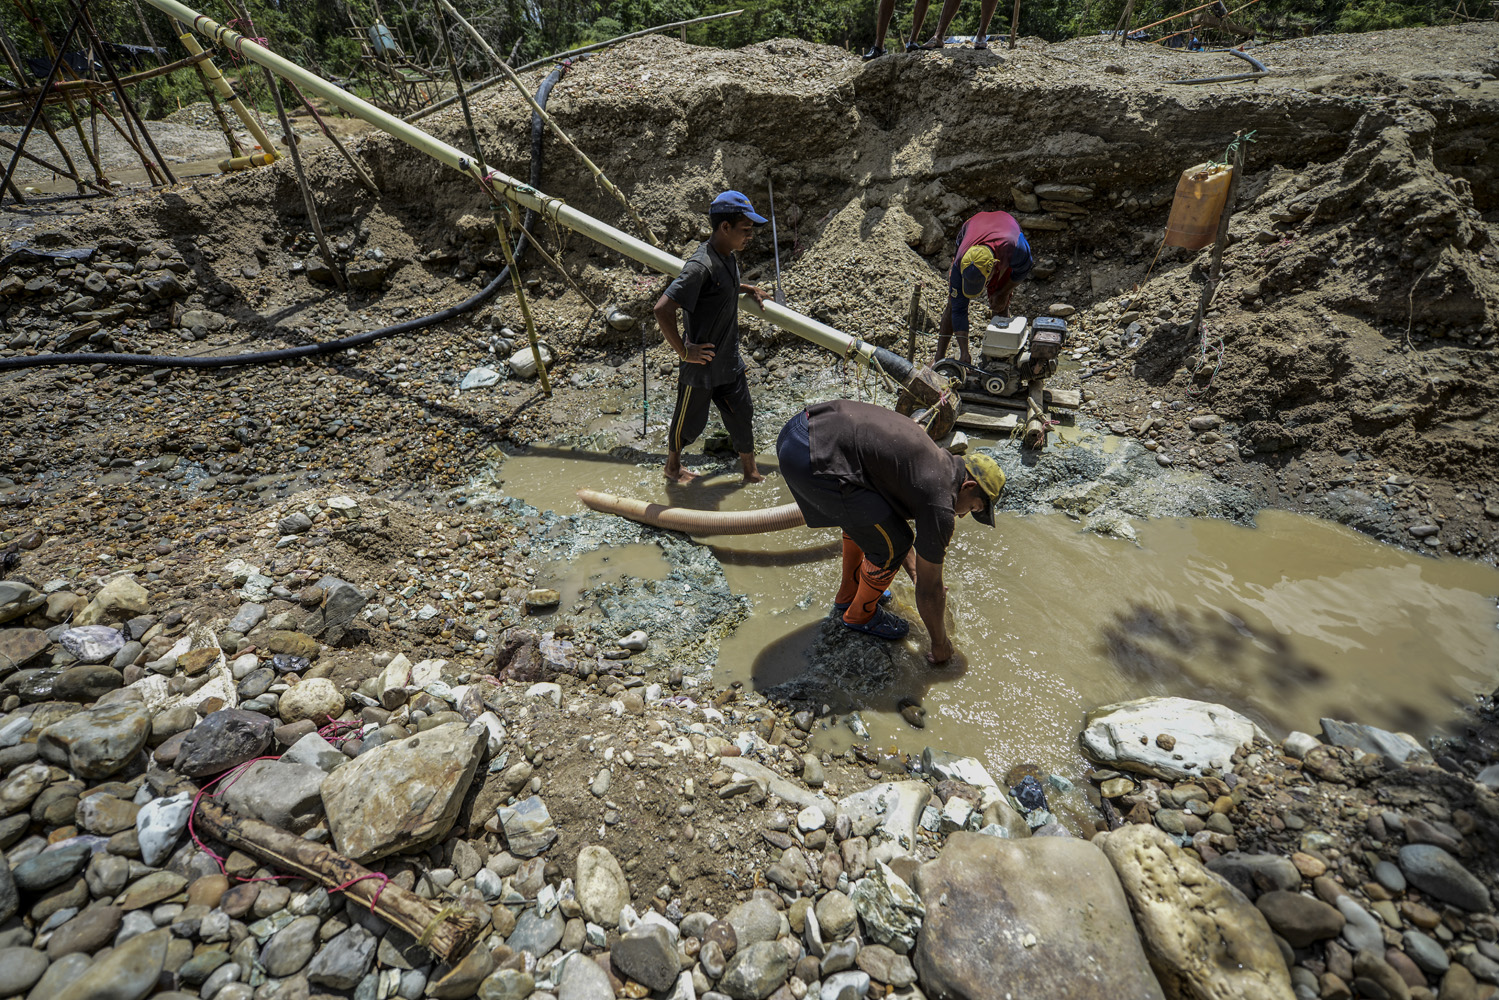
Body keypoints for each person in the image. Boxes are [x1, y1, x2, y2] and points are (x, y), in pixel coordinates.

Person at [776, 399, 1005, 664]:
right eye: (973, 508)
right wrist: (941, 644)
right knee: (892, 545)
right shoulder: (940, 500)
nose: (964, 514)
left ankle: (848, 596)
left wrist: (918, 573)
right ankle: (860, 615)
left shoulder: (933, 462)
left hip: (799, 432)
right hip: (813, 458)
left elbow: (889, 523)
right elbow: (929, 591)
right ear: (968, 485)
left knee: (872, 522)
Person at [654, 191, 771, 485]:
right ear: (725, 228)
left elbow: (722, 285)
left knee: (742, 415)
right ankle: (672, 467)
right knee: (688, 423)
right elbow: (662, 309)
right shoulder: (699, 265)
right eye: (745, 230)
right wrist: (684, 352)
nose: (750, 237)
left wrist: (747, 289)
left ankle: (751, 473)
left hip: (728, 361)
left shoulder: (726, 256)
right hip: (702, 365)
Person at [934, 209, 1033, 365]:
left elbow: (1023, 270)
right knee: (953, 305)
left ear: (994, 268)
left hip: (1005, 228)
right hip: (972, 226)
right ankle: (938, 358)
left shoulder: (1015, 249)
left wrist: (1003, 292)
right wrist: (964, 353)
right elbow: (959, 309)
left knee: (999, 303)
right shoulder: (961, 263)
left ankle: (999, 359)